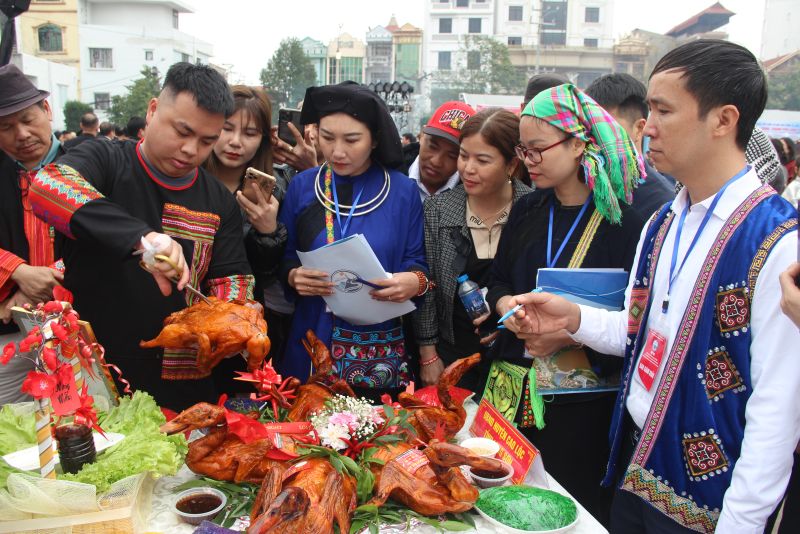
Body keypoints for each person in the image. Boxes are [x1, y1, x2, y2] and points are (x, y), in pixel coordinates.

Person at [506, 40, 800, 533]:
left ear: (723, 120)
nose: (648, 127)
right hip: (636, 462)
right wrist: (575, 319)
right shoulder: (663, 221)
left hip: (713, 498)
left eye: (663, 110)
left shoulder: (777, 244)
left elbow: (778, 407)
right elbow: (643, 332)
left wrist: (741, 523)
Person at [30, 62, 254, 411]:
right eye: (181, 131)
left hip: (180, 383)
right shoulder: (105, 159)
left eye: (207, 141)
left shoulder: (218, 200)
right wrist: (143, 239)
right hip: (93, 370)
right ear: (152, 111)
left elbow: (232, 277)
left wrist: (239, 320)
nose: (190, 150)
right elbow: (48, 188)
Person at [485, 82, 647, 524]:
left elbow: (635, 325)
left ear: (578, 144)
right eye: (523, 150)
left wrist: (565, 334)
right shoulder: (527, 210)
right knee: (502, 504)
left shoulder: (626, 225)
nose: (527, 162)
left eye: (538, 150)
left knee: (568, 513)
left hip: (580, 405)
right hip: (511, 386)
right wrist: (506, 310)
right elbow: (497, 281)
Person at [278, 82, 430, 402]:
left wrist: (412, 281)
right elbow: (286, 256)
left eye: (352, 140)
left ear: (375, 139)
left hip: (377, 350)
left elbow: (418, 263)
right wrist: (293, 275)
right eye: (327, 137)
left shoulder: (402, 192)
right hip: (312, 338)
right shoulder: (304, 187)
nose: (337, 151)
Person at [415, 108, 531, 390]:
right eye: (464, 156)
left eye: (482, 160)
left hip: (518, 358)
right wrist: (428, 354)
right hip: (453, 354)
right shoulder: (438, 209)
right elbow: (427, 288)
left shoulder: (533, 209)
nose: (468, 168)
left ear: (511, 164)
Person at [202, 85, 290, 387]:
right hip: (193, 317)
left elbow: (268, 275)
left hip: (249, 326)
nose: (235, 142)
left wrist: (268, 231)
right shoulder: (187, 179)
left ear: (264, 138)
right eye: (226, 128)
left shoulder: (275, 190)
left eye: (250, 133)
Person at [0, 64, 64, 405]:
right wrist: (18, 273)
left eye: (28, 119)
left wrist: (48, 281)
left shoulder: (88, 163)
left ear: (47, 110)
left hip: (77, 326)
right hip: (9, 334)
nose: (21, 134)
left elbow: (109, 236)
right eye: (6, 127)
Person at [586, 73, 675, 220]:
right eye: (589, 129)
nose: (595, 139)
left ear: (639, 129)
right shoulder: (582, 188)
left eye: (606, 130)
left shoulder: (661, 203)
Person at [406, 101, 476, 202]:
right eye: (433, 147)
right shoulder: (388, 177)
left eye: (452, 156)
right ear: (421, 136)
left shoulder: (474, 197)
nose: (436, 162)